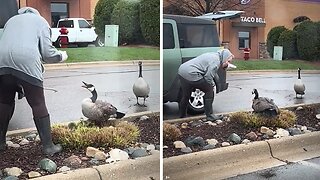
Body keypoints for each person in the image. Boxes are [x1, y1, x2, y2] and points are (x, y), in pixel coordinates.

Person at [0, 7, 68, 155]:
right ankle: (49, 147)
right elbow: (48, 53)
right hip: (26, 60)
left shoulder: (10, 21)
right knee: (38, 103)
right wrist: (62, 56)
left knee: (4, 101)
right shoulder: (40, 21)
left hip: (2, 62)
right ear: (36, 13)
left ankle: (0, 142)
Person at [178, 49, 234, 121]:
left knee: (186, 95)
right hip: (192, 73)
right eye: (228, 61)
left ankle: (182, 116)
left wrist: (225, 67)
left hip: (182, 70)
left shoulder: (213, 54)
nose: (228, 63)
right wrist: (212, 84)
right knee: (209, 89)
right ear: (225, 57)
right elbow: (208, 77)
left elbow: (208, 69)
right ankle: (210, 115)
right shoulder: (216, 61)